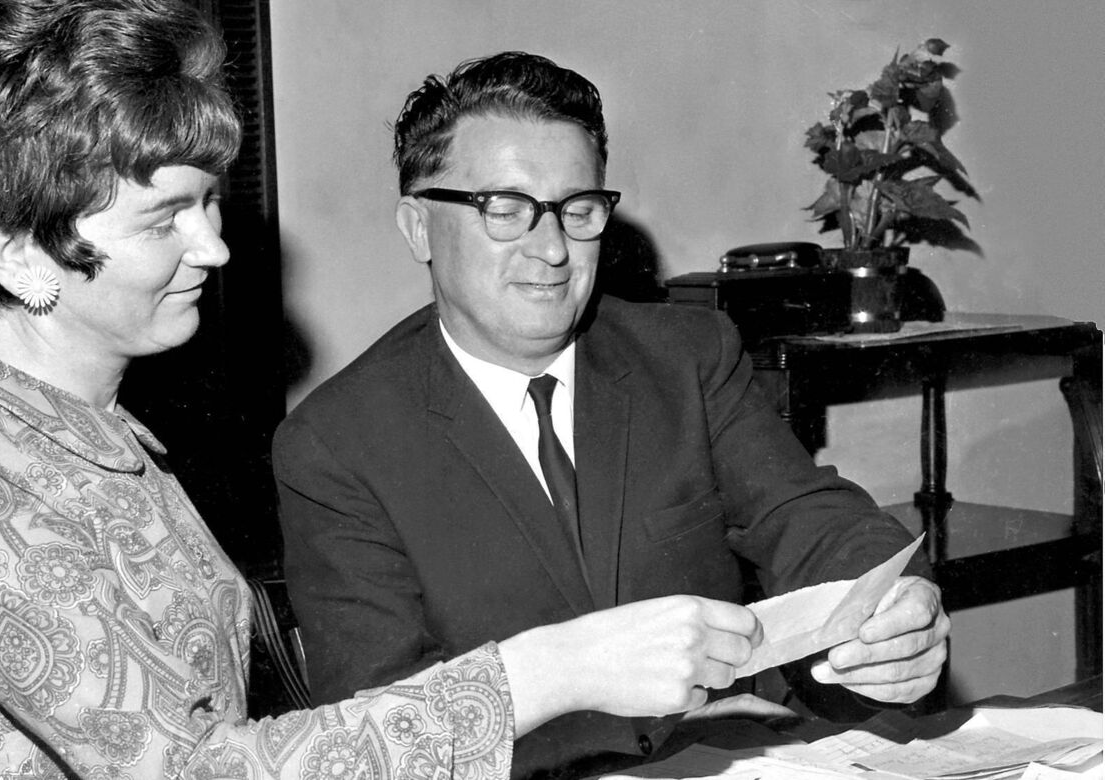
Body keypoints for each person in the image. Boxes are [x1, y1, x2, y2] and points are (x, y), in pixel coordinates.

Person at [0, 9, 756, 779]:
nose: (214, 249)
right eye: (165, 219)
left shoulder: (92, 435)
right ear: (17, 254)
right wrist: (551, 670)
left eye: (210, 204)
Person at [273, 51, 952, 779]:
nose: (553, 249)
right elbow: (377, 734)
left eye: (578, 210)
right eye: (504, 209)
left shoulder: (684, 356)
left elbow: (810, 516)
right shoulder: (337, 444)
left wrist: (891, 616)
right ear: (417, 227)